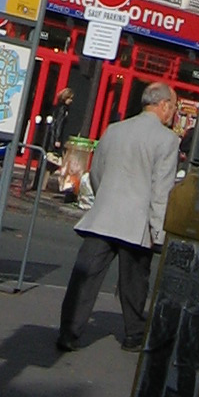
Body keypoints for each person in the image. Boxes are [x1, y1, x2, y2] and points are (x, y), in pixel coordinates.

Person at [55, 82, 182, 353]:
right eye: (173, 106)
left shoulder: (114, 130)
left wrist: (104, 199)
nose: (173, 112)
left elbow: (96, 171)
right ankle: (134, 334)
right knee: (134, 283)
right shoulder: (167, 140)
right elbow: (162, 191)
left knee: (85, 277)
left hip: (103, 216)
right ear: (162, 105)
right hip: (137, 223)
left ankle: (69, 331)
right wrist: (159, 232)